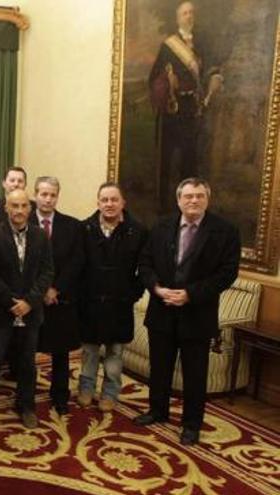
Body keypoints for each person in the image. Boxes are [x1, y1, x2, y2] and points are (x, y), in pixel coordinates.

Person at [135, 177, 240, 446]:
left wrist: (190, 295)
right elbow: (145, 263)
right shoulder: (160, 227)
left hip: (198, 314)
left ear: (208, 199)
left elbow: (227, 274)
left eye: (199, 196)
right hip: (161, 310)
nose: (193, 200)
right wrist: (157, 289)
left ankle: (191, 424)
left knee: (195, 374)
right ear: (178, 200)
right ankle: (157, 411)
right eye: (188, 196)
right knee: (159, 368)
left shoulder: (225, 231)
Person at [0, 188, 53, 430]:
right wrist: (12, 302)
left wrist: (29, 302)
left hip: (31, 312)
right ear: (6, 208)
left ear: (30, 209)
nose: (19, 211)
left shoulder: (41, 236)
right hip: (1, 311)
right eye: (14, 206)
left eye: (23, 206)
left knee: (27, 363)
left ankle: (27, 407)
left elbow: (47, 272)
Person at [148, 1, 223, 213]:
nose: (189, 16)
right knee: (166, 158)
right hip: (172, 110)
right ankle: (163, 206)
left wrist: (215, 77)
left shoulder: (202, 44)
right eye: (184, 13)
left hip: (192, 109)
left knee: (190, 159)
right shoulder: (168, 45)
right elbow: (154, 78)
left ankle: (189, 207)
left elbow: (209, 69)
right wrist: (166, 81)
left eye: (191, 13)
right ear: (178, 18)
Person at [79, 182, 147, 413]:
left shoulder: (137, 231)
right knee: (89, 351)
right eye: (104, 200)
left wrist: (132, 294)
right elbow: (77, 267)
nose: (109, 204)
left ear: (122, 203)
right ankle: (86, 389)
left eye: (114, 200)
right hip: (90, 303)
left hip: (120, 304)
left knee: (115, 353)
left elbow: (145, 268)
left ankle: (110, 393)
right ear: (98, 203)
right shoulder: (84, 229)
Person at [31, 177, 84, 415]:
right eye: (43, 194)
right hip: (31, 300)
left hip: (60, 300)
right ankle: (26, 396)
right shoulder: (23, 221)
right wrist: (38, 292)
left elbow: (76, 262)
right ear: (35, 195)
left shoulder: (72, 226)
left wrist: (55, 288)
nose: (48, 199)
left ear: (57, 196)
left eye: (52, 194)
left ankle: (60, 396)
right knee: (27, 351)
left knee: (60, 353)